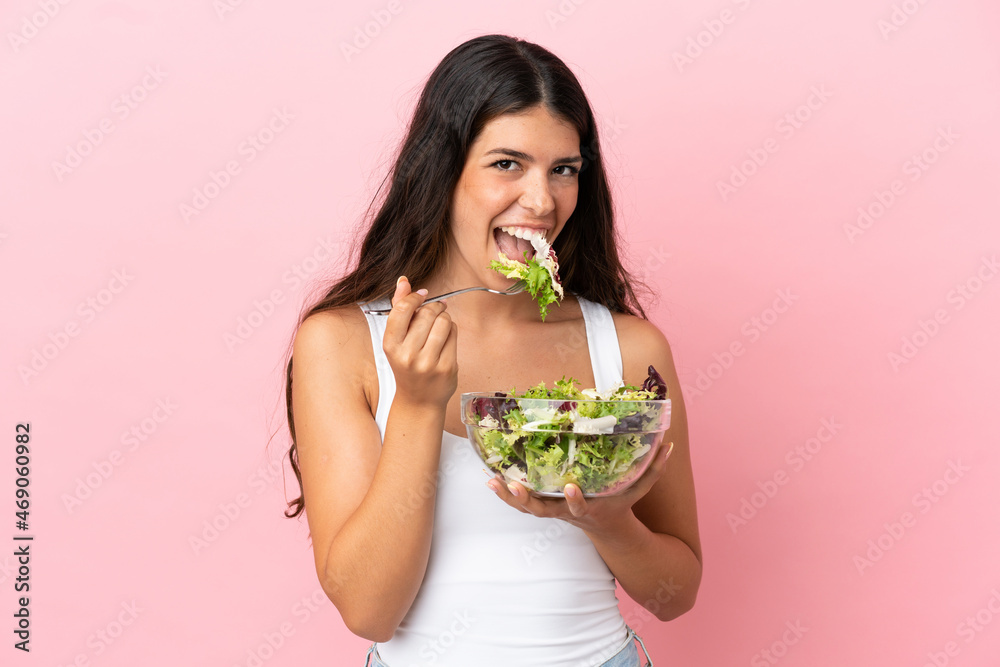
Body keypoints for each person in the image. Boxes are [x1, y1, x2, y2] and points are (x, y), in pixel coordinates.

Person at [281, 34, 702, 667]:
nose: (542, 201)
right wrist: (419, 406)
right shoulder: (343, 344)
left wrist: (606, 519)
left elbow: (676, 594)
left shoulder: (628, 348)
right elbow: (370, 611)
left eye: (564, 169)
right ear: (443, 170)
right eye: (507, 164)